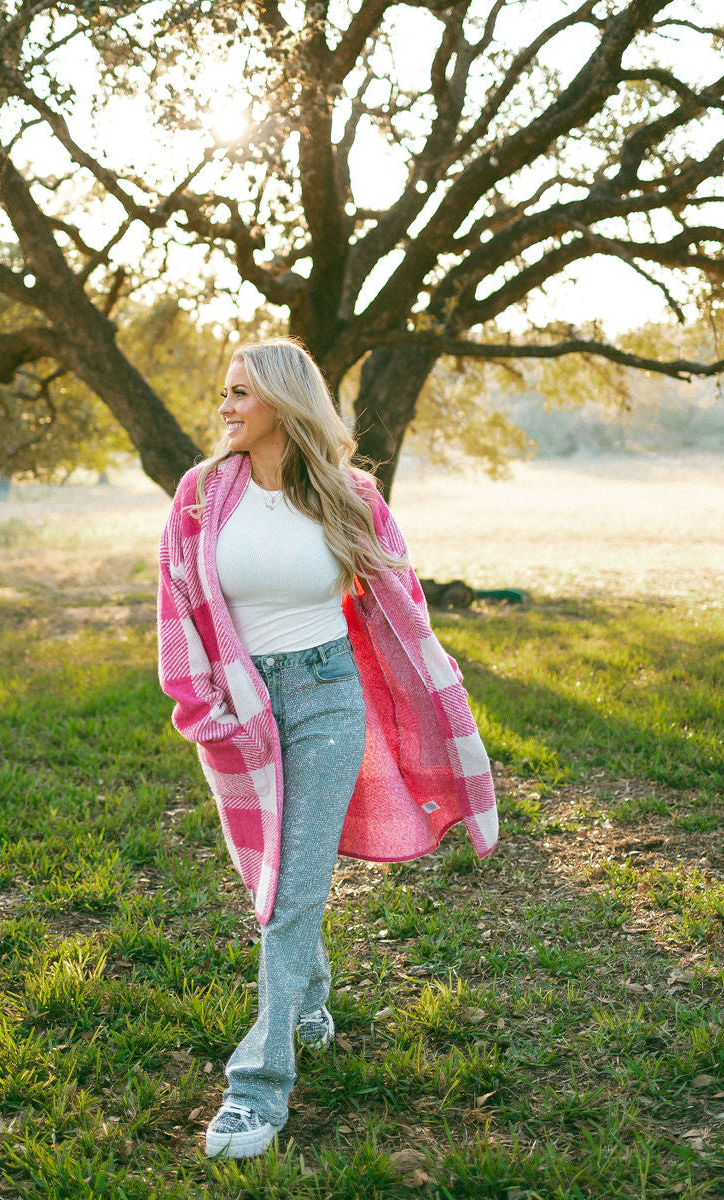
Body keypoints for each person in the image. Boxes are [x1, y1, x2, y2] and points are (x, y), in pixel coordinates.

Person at [157, 337, 498, 1160]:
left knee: (293, 887)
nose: (226, 407)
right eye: (224, 392)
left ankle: (256, 1089)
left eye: (241, 392)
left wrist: (436, 684)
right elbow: (175, 605)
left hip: (327, 699)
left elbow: (400, 599)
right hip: (243, 705)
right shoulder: (201, 495)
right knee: (267, 875)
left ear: (283, 400)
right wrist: (203, 709)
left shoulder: (349, 497)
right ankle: (309, 996)